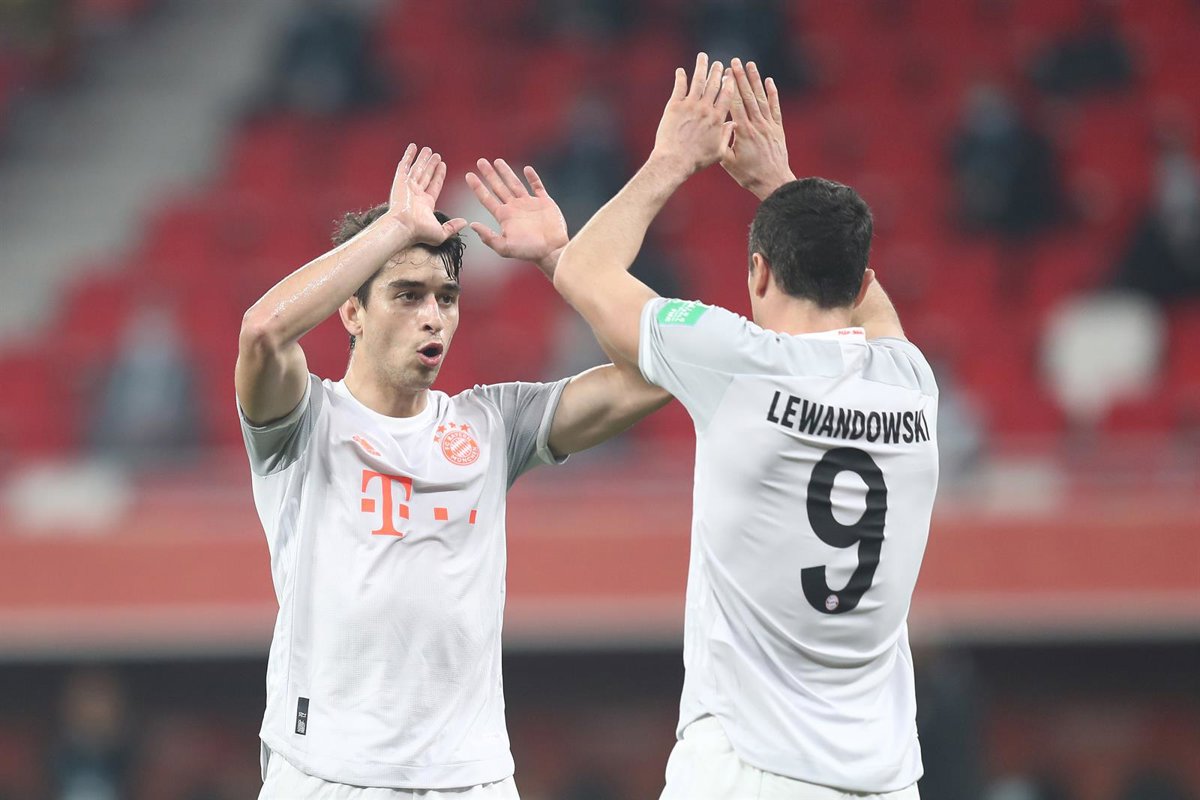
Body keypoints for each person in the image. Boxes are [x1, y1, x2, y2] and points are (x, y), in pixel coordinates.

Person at [549, 54, 939, 798]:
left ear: (758, 272)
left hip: (749, 768)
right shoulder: (911, 383)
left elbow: (582, 270)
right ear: (860, 282)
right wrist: (778, 181)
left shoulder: (736, 362)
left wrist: (672, 159)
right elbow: (877, 312)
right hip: (884, 778)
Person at [236, 144, 669, 798]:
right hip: (326, 773)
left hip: (470, 780)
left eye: (445, 297)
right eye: (407, 295)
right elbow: (262, 332)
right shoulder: (303, 420)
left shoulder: (493, 423)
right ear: (352, 311)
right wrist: (394, 229)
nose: (432, 317)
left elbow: (656, 374)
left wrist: (560, 259)